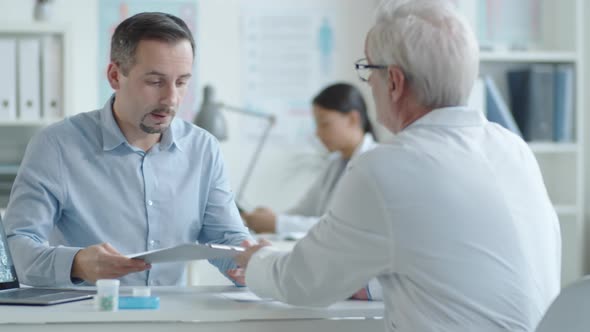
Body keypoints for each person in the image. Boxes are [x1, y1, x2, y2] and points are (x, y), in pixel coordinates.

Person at [232, 1, 561, 331]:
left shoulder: (386, 168)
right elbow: (453, 271)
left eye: (368, 70)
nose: (368, 85)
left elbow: (303, 282)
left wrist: (256, 260)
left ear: (393, 82)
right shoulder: (513, 148)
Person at [3, 12, 251, 287]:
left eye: (181, 82)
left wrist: (250, 264)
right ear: (114, 76)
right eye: (155, 81)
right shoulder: (57, 146)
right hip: (87, 318)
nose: (171, 98)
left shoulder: (203, 149)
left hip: (173, 319)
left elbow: (226, 239)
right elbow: (16, 248)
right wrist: (77, 264)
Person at [242, 83, 377, 236]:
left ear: (353, 119)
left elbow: (341, 226)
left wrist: (278, 223)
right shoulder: (335, 163)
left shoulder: (374, 162)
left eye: (324, 124)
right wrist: (269, 219)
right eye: (317, 125)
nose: (318, 134)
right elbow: (305, 210)